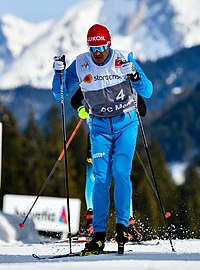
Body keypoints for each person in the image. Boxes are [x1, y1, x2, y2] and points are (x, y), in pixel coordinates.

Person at [52, 24, 153, 254]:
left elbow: (147, 90)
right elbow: (59, 93)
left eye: (101, 46)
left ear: (109, 43)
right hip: (98, 127)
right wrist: (57, 73)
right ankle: (98, 234)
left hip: (126, 123)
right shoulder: (81, 63)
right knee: (100, 178)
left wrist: (134, 76)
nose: (97, 52)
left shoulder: (122, 58)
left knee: (120, 171)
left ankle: (122, 225)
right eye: (93, 47)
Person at [70, 88, 146, 242]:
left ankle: (128, 223)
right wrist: (81, 110)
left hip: (120, 134)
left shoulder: (120, 79)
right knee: (94, 177)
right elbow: (74, 100)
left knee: (122, 176)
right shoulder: (91, 79)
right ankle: (92, 222)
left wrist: (135, 106)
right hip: (98, 136)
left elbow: (142, 106)